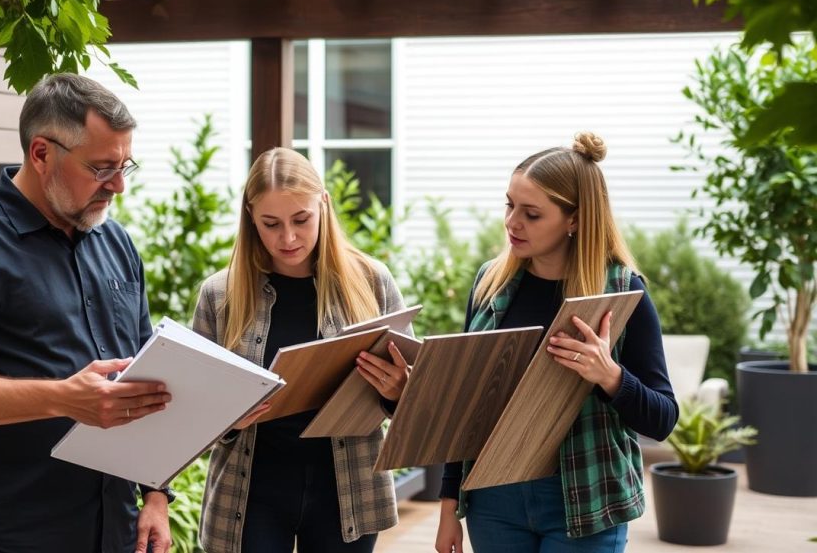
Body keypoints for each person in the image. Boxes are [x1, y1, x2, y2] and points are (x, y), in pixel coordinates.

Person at [0, 73, 174, 553]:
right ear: (42, 153)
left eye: (124, 166)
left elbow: (145, 375)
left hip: (114, 531)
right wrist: (63, 398)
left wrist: (156, 496)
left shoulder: (116, 242)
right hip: (7, 536)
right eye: (100, 168)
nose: (118, 186)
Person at [434, 132, 678, 553]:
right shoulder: (491, 283)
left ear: (575, 219)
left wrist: (611, 377)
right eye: (510, 205)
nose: (512, 222)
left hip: (585, 499)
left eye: (531, 214)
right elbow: (468, 407)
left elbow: (663, 418)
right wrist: (448, 506)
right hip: (493, 499)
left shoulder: (622, 291)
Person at [191, 147, 412, 553]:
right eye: (271, 224)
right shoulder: (219, 295)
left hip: (348, 491)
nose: (288, 237)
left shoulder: (372, 282)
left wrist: (399, 391)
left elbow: (416, 399)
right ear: (250, 218)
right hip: (250, 492)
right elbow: (192, 414)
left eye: (301, 219)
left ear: (323, 205)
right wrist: (229, 419)